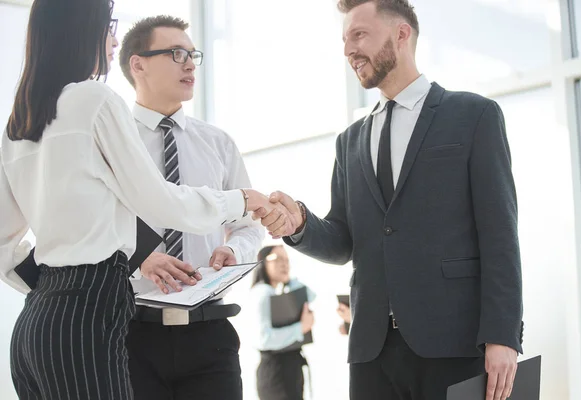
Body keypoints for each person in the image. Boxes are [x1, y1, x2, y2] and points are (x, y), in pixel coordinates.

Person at [0, 1, 287, 398]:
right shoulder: (95, 100)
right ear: (81, 28)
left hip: (38, 320)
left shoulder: (20, 120)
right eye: (109, 25)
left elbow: (4, 246)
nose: (114, 37)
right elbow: (162, 203)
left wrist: (53, 285)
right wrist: (240, 200)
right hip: (95, 313)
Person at [256, 1, 524, 400]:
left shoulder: (473, 115)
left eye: (359, 35)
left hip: (456, 342)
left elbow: (500, 234)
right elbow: (345, 239)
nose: (348, 50)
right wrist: (300, 224)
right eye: (344, 40)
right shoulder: (350, 141)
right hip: (372, 350)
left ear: (402, 34)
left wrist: (503, 335)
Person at [117, 15, 264, 400]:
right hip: (131, 335)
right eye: (176, 53)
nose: (190, 64)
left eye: (193, 54)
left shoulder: (218, 144)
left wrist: (234, 249)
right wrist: (139, 256)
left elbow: (250, 224)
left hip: (209, 334)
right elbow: (92, 222)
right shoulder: (112, 143)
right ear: (138, 64)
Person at [250, 245, 315, 400]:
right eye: (277, 259)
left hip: (286, 371)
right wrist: (301, 328)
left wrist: (289, 280)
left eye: (286, 260)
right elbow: (263, 339)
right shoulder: (263, 292)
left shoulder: (276, 293)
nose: (284, 264)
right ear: (262, 262)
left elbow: (310, 295)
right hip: (277, 373)